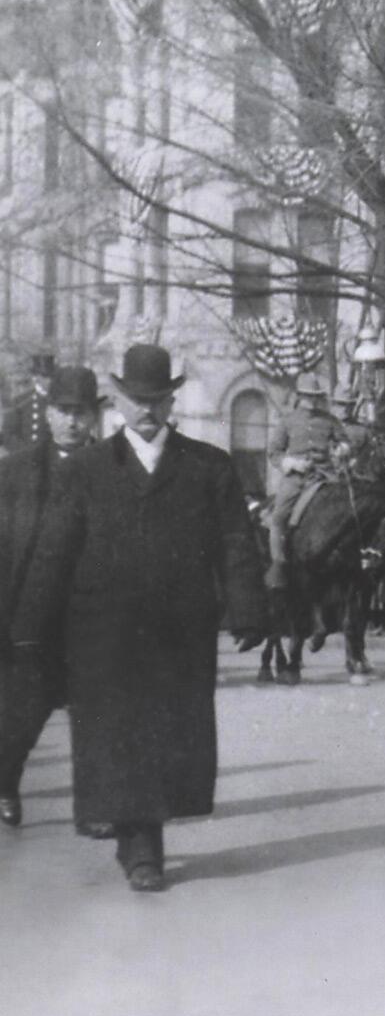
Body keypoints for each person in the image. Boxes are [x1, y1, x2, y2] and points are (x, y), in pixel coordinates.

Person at [8, 344, 266, 891]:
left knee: (168, 734)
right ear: (119, 401)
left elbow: (234, 541)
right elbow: (55, 550)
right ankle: (141, 845)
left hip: (180, 629)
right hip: (102, 630)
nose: (147, 409)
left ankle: (142, 834)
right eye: (136, 399)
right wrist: (30, 624)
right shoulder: (87, 470)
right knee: (115, 733)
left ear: (172, 401)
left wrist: (247, 607)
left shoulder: (208, 467)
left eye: (158, 399)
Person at [0, 366, 104, 827]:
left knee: (96, 716)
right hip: (31, 614)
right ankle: (5, 780)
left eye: (81, 412)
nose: (72, 422)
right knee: (23, 714)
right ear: (49, 412)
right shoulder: (15, 470)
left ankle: (96, 806)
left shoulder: (112, 470)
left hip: (90, 615)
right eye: (63, 411)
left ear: (94, 416)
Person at [264, 372, 345, 590]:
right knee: (278, 518)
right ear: (300, 396)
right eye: (308, 395)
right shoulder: (287, 421)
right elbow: (274, 452)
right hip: (297, 478)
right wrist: (291, 463)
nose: (312, 400)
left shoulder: (330, 420)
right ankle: (278, 564)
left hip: (326, 475)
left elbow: (343, 441)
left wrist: (342, 449)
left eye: (315, 396)